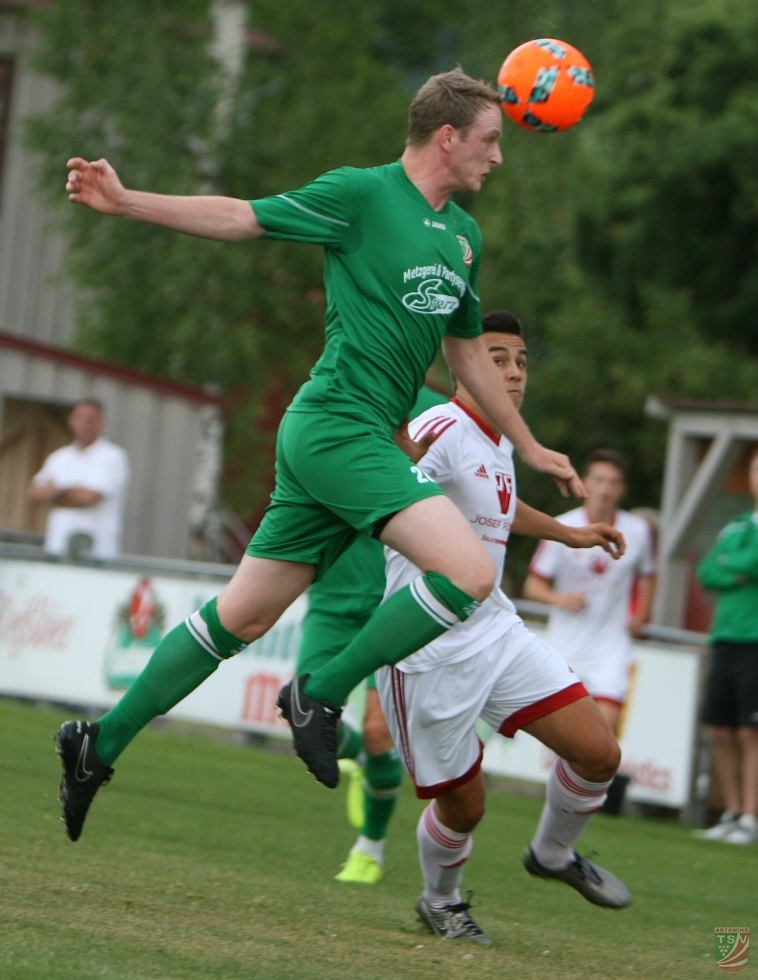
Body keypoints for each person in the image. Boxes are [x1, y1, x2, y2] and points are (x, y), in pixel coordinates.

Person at [54, 68, 585, 843]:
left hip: (351, 439)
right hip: (336, 426)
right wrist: (126, 200)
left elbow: (468, 356)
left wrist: (531, 445)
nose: (498, 157)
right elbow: (241, 217)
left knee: (241, 615)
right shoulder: (361, 195)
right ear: (447, 137)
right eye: (490, 140)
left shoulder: (464, 238)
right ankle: (322, 692)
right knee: (469, 572)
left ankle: (97, 745)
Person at [374, 311, 631, 945]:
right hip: (427, 645)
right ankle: (442, 901)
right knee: (465, 805)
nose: (513, 372)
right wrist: (397, 463)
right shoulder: (442, 424)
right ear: (463, 364)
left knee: (598, 752)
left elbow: (499, 507)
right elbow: (383, 480)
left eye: (520, 360)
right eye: (496, 358)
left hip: (495, 630)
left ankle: (551, 854)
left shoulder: (499, 440)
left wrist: (569, 532)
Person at [297, 384, 448, 885]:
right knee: (302, 716)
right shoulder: (329, 391)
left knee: (385, 733)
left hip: (394, 598)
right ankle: (359, 753)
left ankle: (370, 848)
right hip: (333, 596)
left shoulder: (434, 410)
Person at [523, 449, 656, 738]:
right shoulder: (561, 526)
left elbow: (648, 575)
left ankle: (596, 785)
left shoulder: (638, 531)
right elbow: (532, 586)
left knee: (605, 731)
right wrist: (560, 599)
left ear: (622, 489)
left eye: (613, 482)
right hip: (566, 646)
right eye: (599, 480)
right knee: (567, 737)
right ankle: (567, 783)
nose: (605, 488)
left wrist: (641, 614)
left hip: (611, 646)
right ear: (585, 483)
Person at [693, 445, 758, 846]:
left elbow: (749, 564)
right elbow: (707, 570)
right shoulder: (735, 526)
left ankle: (752, 816)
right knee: (719, 728)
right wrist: (735, 569)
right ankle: (732, 811)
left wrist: (733, 567)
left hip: (755, 642)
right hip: (725, 637)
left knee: (751, 731)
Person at [29, 398, 130, 560]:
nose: (85, 424)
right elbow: (35, 493)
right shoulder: (59, 457)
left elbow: (90, 497)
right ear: (71, 421)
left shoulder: (113, 457)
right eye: (80, 418)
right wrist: (72, 493)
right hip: (56, 548)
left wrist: (55, 494)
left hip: (97, 554)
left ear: (101, 423)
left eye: (91, 420)